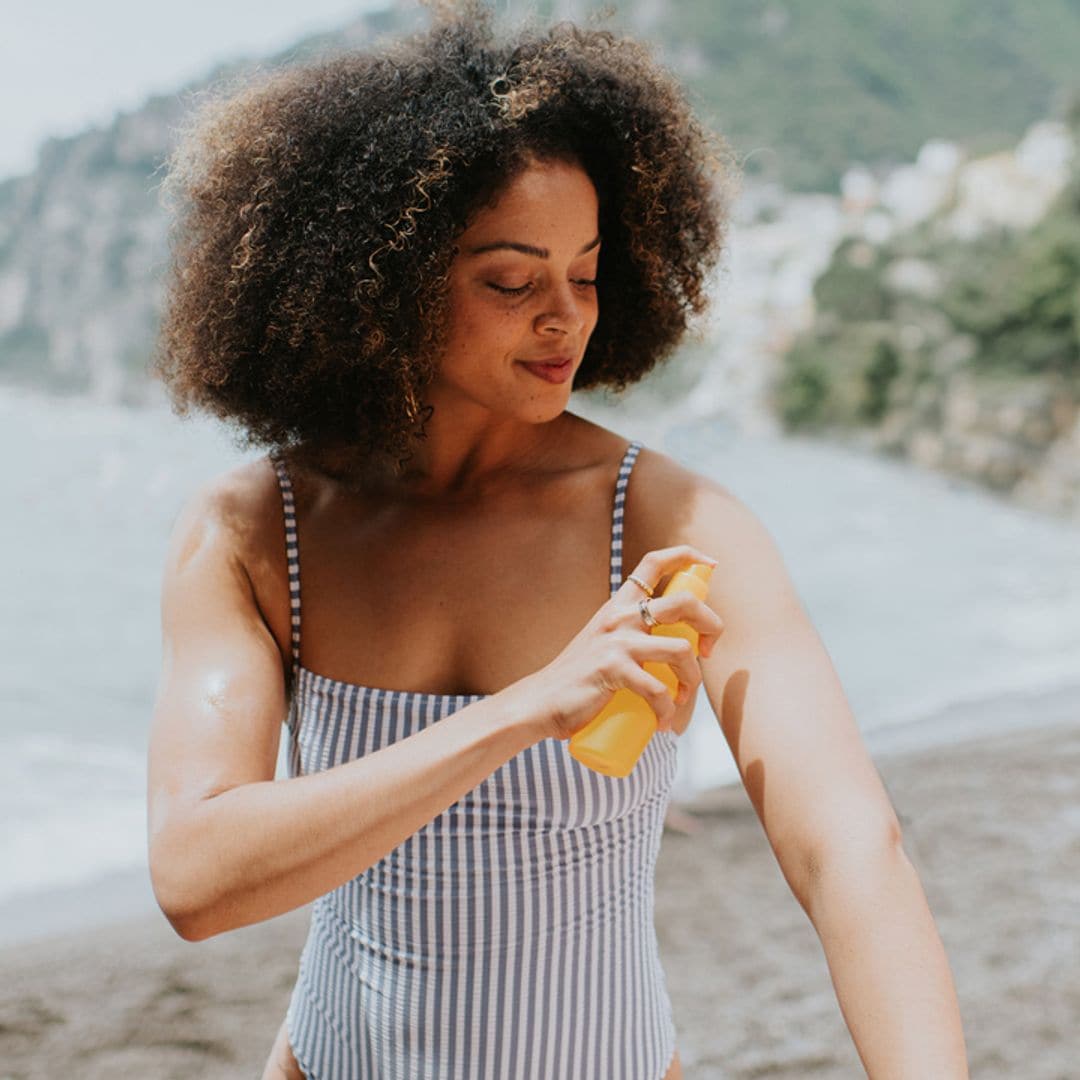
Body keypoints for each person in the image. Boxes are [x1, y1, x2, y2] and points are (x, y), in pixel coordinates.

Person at [146, 4, 969, 1077]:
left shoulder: (671, 524)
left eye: (585, 273)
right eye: (511, 280)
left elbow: (849, 848)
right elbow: (195, 881)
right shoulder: (258, 530)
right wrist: (530, 707)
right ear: (380, 285)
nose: (566, 319)